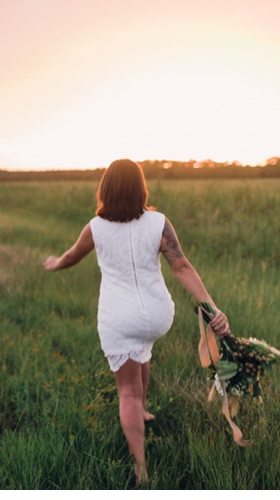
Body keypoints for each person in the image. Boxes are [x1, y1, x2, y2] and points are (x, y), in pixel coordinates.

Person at [42, 159, 230, 486]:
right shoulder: (159, 223)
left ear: (106, 189)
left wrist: (55, 264)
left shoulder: (95, 227)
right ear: (141, 188)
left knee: (126, 391)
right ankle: (143, 411)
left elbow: (72, 256)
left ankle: (141, 469)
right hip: (158, 314)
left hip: (119, 317)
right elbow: (182, 266)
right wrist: (211, 309)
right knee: (141, 349)